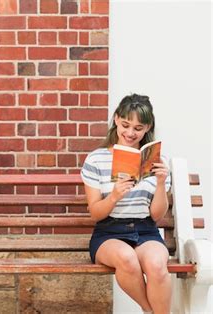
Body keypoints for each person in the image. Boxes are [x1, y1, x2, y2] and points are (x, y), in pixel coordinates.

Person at [81, 94, 171, 314]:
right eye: (125, 125)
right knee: (126, 258)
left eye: (138, 128)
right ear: (116, 119)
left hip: (145, 230)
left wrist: (160, 184)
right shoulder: (96, 159)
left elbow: (156, 215)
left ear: (147, 128)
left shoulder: (157, 161)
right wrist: (113, 197)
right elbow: (95, 213)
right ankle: (149, 310)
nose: (131, 133)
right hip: (108, 233)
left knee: (158, 266)